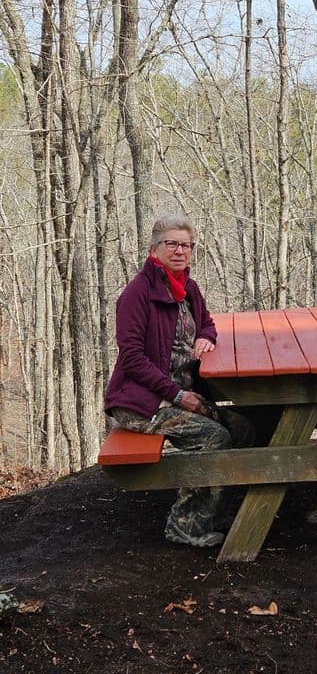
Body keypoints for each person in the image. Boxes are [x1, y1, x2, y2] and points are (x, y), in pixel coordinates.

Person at [105, 214, 254, 547]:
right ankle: (184, 525)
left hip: (177, 394)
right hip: (140, 402)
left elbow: (208, 323)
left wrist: (205, 337)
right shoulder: (137, 294)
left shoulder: (187, 288)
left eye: (186, 245)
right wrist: (176, 395)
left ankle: (213, 512)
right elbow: (131, 358)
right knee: (213, 438)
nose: (180, 251)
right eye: (171, 243)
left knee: (243, 428)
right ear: (154, 249)